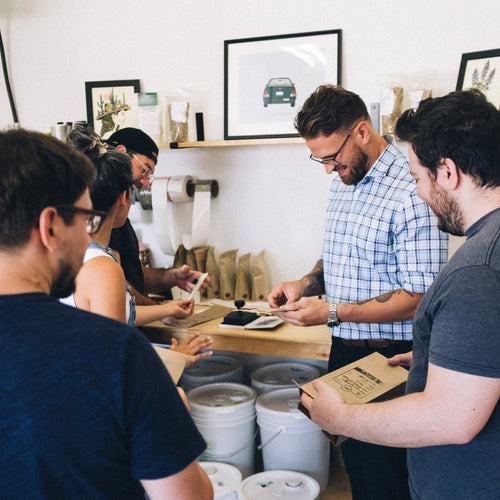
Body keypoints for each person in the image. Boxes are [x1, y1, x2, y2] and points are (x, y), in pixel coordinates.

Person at [300, 89, 500, 499]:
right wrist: (433, 356)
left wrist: (340, 418)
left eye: (417, 178)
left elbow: (451, 419)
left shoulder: (477, 270)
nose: (421, 194)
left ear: (447, 172)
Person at [0, 129, 213, 499]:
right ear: (50, 226)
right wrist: (165, 419)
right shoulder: (115, 352)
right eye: (84, 219)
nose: (89, 236)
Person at [268, 85, 448, 499]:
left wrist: (332, 312)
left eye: (332, 157)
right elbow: (340, 258)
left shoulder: (411, 190)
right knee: (360, 475)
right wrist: (304, 284)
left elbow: (420, 297)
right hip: (345, 353)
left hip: (394, 360)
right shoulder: (346, 181)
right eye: (320, 159)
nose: (328, 169)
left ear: (362, 132)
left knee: (391, 482)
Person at [63, 125, 212, 362]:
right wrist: (174, 357)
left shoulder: (71, 254)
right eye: (133, 188)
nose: (142, 184)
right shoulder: (103, 266)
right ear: (123, 196)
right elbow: (114, 360)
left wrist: (166, 308)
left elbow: (114, 317)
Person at [106, 127, 207, 305]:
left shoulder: (120, 214)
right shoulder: (99, 212)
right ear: (121, 152)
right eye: (144, 169)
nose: (144, 182)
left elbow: (133, 273)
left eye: (149, 176)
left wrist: (173, 277)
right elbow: (116, 288)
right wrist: (160, 311)